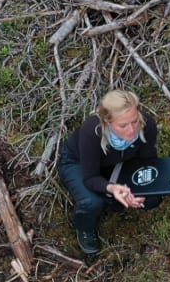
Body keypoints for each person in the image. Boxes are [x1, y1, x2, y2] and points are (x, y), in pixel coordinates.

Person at [58, 90, 162, 257]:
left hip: (115, 162)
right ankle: (85, 228)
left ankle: (113, 202)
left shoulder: (147, 124)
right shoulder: (92, 131)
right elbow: (91, 178)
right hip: (78, 163)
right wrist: (112, 188)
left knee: (152, 198)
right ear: (107, 121)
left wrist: (142, 189)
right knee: (92, 201)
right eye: (123, 125)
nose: (131, 130)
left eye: (134, 121)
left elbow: (147, 161)